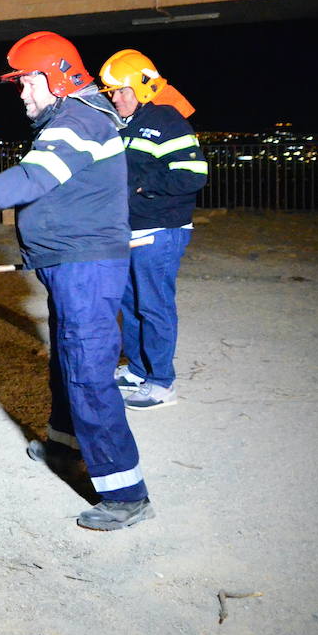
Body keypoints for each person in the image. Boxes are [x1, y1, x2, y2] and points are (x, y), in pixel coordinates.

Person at [0, 31, 153, 531]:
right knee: (69, 358)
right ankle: (65, 446)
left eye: (26, 82)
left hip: (85, 265)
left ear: (55, 78)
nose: (22, 93)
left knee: (87, 369)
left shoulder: (79, 119)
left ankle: (125, 493)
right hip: (69, 262)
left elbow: (34, 178)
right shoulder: (74, 117)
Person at [98, 48, 207, 411]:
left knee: (154, 306)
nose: (115, 97)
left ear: (143, 87)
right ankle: (139, 370)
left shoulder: (168, 121)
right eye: (111, 92)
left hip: (161, 230)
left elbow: (194, 175)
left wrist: (141, 186)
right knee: (131, 305)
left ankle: (162, 383)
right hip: (133, 230)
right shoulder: (128, 124)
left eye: (120, 90)